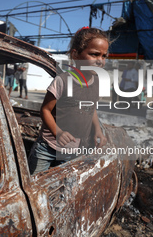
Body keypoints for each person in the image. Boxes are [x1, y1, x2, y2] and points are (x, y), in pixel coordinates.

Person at [28, 27, 108, 175]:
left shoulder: (97, 83)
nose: (100, 61)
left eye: (104, 56)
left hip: (73, 150)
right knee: (34, 183)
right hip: (48, 147)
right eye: (94, 54)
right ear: (75, 55)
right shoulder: (62, 81)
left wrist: (97, 129)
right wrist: (58, 132)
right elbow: (45, 110)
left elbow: (91, 109)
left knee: (63, 185)